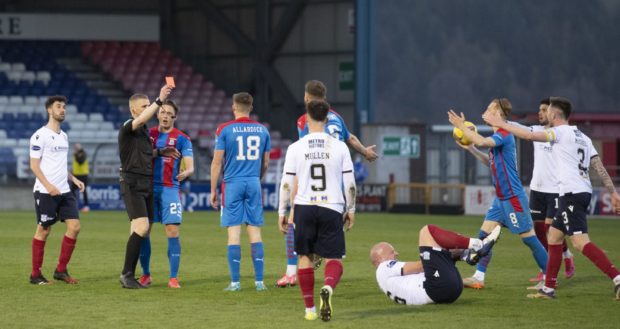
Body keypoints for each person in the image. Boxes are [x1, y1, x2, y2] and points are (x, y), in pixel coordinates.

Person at [483, 96, 620, 300]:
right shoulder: (582, 136)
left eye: (548, 112)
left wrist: (501, 123)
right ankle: (548, 289)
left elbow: (529, 136)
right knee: (554, 237)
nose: (544, 114)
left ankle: (617, 278)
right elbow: (598, 166)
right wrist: (613, 192)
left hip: (572, 193)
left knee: (581, 242)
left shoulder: (559, 132)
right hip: (577, 192)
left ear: (555, 114)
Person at [276, 80, 378, 288]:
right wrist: (365, 152)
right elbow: (350, 139)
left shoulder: (304, 121)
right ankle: (323, 276)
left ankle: (292, 273)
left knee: (297, 225)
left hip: (309, 184)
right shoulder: (338, 118)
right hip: (335, 188)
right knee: (329, 237)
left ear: (306, 98)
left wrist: (290, 202)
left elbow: (305, 157)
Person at [447, 98, 548, 289]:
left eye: (489, 109)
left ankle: (549, 278)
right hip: (500, 200)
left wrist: (461, 126)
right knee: (483, 239)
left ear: (499, 114)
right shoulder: (497, 137)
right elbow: (490, 161)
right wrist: (471, 148)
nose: (485, 111)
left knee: (529, 240)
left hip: (513, 198)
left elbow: (484, 141)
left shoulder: (504, 132)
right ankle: (478, 277)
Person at [277, 99, 356, 321]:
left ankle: (310, 310)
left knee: (305, 257)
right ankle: (328, 287)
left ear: (308, 117)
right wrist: (351, 209)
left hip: (304, 207)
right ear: (327, 117)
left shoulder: (295, 147)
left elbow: (286, 183)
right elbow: (349, 183)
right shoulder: (339, 146)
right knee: (334, 258)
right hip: (331, 206)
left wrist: (283, 212)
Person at [210, 92, 271, 292]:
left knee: (234, 232)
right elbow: (266, 162)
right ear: (251, 107)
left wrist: (213, 190)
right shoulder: (263, 130)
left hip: (232, 183)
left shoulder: (224, 130)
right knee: (254, 231)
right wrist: (256, 178)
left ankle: (235, 282)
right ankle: (259, 282)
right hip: (253, 182)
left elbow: (217, 162)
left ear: (234, 107)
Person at [118, 85, 176, 289]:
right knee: (141, 227)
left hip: (146, 182)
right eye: (144, 106)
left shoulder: (143, 132)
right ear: (134, 110)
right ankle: (127, 274)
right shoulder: (130, 125)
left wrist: (160, 152)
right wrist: (159, 100)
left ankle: (129, 275)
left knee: (143, 229)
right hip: (132, 182)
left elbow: (143, 155)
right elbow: (142, 119)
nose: (149, 109)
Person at [515, 99, 574, 282]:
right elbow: (518, 127)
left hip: (555, 189)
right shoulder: (536, 131)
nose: (540, 113)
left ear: (552, 113)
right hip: (537, 189)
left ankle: (564, 257)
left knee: (551, 229)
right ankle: (546, 266)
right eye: (539, 110)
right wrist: (500, 122)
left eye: (543, 110)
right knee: (539, 229)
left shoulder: (561, 134)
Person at [29, 95, 85, 285]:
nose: (62, 109)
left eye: (64, 107)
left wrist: (73, 178)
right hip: (46, 192)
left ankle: (61, 270)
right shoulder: (39, 135)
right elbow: (34, 165)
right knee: (44, 230)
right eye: (58, 106)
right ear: (49, 110)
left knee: (75, 227)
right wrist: (48, 186)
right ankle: (35, 275)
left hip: (64, 190)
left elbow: (60, 165)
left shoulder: (64, 136)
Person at [370, 224, 501, 306]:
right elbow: (421, 266)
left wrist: (440, 253)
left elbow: (430, 266)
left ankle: (467, 255)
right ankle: (478, 245)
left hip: (445, 291)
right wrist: (432, 254)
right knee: (427, 231)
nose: (397, 253)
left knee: (441, 247)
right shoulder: (383, 267)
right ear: (381, 258)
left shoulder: (387, 279)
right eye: (392, 252)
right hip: (437, 287)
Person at [138, 99, 194, 289]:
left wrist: (187, 171)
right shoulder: (149, 133)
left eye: (170, 114)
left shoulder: (182, 139)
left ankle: (173, 277)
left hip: (170, 189)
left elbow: (190, 165)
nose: (166, 116)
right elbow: (140, 155)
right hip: (148, 188)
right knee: (144, 231)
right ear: (157, 114)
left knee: (172, 230)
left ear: (175, 117)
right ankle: (146, 275)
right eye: (163, 112)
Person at [71, 143, 90, 212]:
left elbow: (80, 162)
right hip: (76, 175)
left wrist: (75, 154)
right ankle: (73, 205)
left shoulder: (83, 153)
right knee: (72, 190)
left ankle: (86, 206)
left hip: (83, 175)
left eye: (76, 147)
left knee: (83, 190)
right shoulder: (76, 154)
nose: (75, 149)